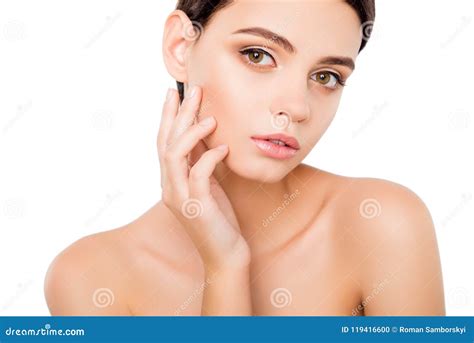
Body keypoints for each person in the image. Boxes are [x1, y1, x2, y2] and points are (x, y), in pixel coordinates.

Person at [44, 0, 445, 316]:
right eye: (258, 55)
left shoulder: (381, 223)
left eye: (326, 76)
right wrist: (226, 268)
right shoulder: (89, 276)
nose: (297, 106)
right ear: (180, 47)